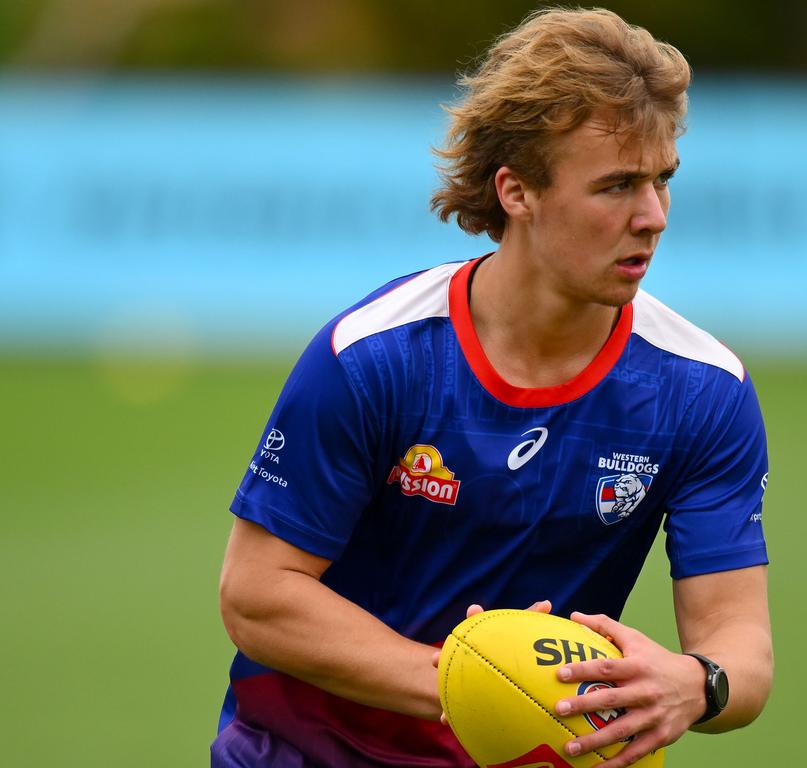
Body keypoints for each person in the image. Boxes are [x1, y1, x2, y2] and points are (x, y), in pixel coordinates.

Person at [212, 7, 773, 767]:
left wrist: (693, 682)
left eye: (662, 181)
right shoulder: (376, 357)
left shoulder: (704, 391)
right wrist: (473, 681)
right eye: (615, 186)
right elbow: (257, 596)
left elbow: (740, 650)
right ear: (517, 192)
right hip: (309, 751)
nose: (653, 217)